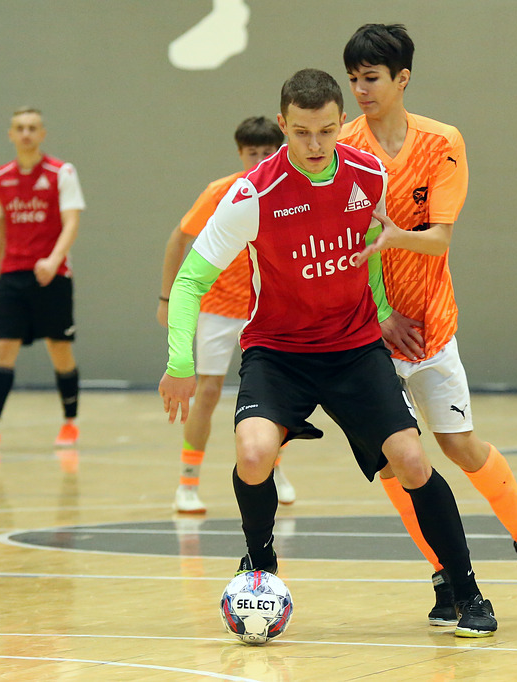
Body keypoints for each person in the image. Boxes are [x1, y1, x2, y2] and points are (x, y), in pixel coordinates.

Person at [159, 68, 497, 637]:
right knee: (253, 453)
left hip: (354, 348)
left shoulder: (369, 173)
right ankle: (260, 563)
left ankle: (467, 590)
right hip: (279, 353)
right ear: (283, 126)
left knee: (413, 461)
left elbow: (371, 249)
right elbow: (192, 279)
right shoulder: (253, 194)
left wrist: (382, 311)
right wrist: (180, 364)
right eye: (300, 132)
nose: (314, 145)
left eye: (325, 131)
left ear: (343, 122)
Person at [339, 23, 517, 625]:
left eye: (371, 78)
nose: (360, 90)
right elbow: (350, 245)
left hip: (431, 325)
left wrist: (392, 238)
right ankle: (444, 574)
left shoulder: (442, 142)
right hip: (371, 336)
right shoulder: (344, 148)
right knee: (395, 460)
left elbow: (438, 240)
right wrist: (382, 315)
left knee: (459, 446)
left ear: (402, 79)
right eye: (353, 79)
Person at [157, 116, 295, 513]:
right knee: (208, 391)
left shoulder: (287, 189)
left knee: (276, 393)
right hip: (218, 308)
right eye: (253, 153)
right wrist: (166, 298)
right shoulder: (221, 192)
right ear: (239, 153)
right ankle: (188, 482)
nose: (260, 159)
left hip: (265, 307)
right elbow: (178, 238)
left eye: (268, 152)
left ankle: (275, 468)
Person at [0, 107, 86, 451]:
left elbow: (72, 222)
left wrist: (54, 260)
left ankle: (70, 422)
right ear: (11, 135)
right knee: (3, 348)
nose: (26, 133)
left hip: (52, 276)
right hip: (12, 275)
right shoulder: (0, 177)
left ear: (42, 134)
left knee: (59, 350)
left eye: (32, 128)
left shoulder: (61, 172)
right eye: (20, 128)